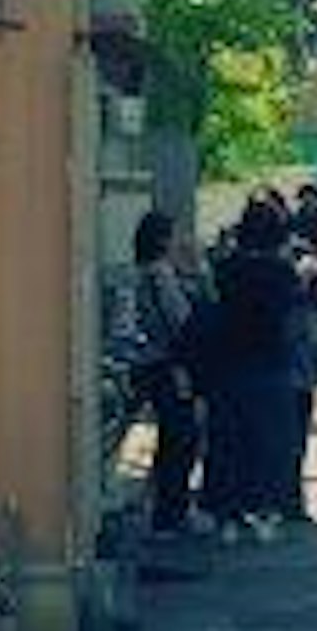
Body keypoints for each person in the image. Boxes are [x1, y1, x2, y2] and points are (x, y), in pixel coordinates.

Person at [197, 190, 300, 539]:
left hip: (229, 364)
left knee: (228, 442)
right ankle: (265, 511)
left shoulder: (226, 270)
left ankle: (228, 512)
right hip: (272, 363)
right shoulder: (283, 273)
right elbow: (292, 319)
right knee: (270, 442)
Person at [123, 202, 205, 538]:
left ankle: (167, 508)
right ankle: (170, 512)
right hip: (169, 363)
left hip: (149, 361)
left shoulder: (140, 273)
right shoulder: (161, 274)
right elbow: (180, 320)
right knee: (180, 437)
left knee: (174, 436)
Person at [272, 181, 317, 522]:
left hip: (281, 365)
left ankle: (285, 500)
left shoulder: (233, 265)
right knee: (289, 436)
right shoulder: (295, 261)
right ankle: (286, 500)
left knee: (286, 437)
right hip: (287, 365)